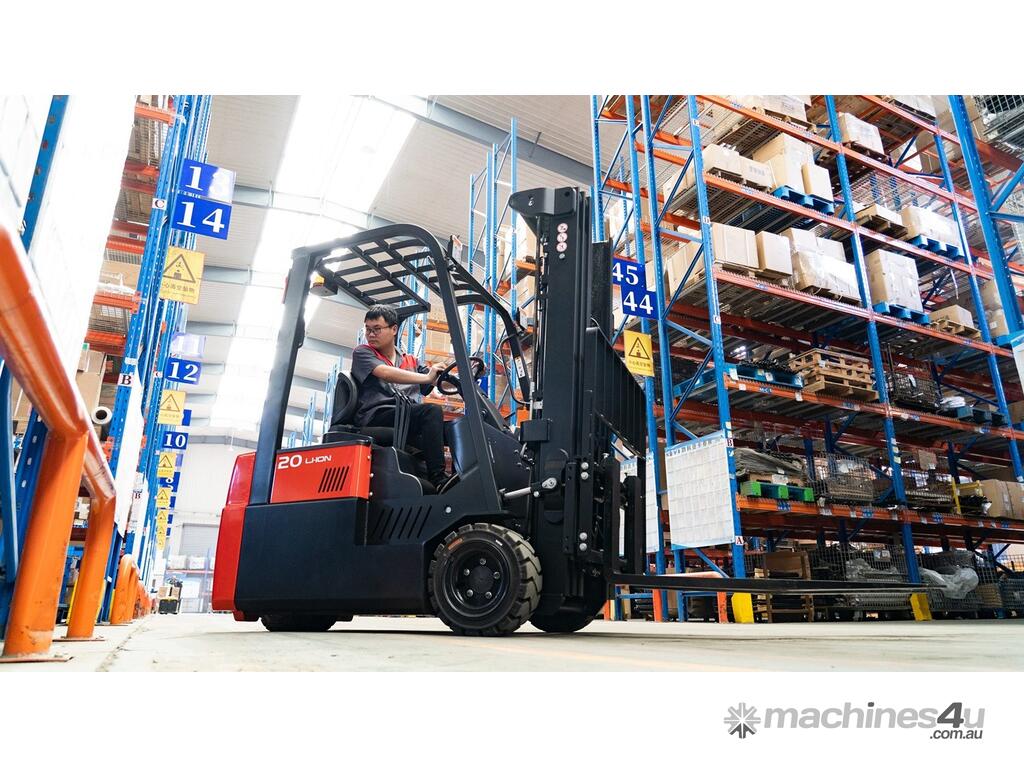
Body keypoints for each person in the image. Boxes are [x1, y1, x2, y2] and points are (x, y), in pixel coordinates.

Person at [350, 304, 450, 490]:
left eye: (377, 329)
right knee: (431, 411)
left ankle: (459, 479)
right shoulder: (363, 353)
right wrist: (427, 377)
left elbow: (438, 381)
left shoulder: (410, 360)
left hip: (406, 417)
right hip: (378, 415)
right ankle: (438, 479)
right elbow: (386, 373)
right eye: (368, 329)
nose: (371, 334)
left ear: (394, 329)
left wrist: (467, 377)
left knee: (453, 430)